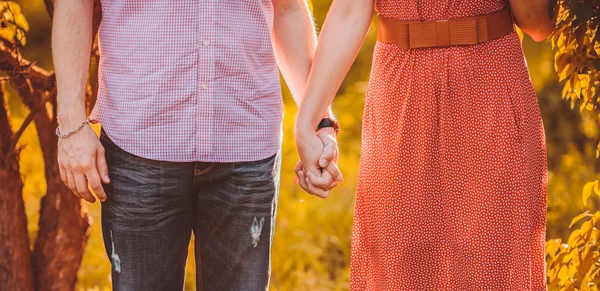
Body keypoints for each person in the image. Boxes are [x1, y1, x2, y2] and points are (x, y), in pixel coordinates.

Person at [52, 0, 343, 290]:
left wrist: (319, 123)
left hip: (247, 145)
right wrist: (70, 125)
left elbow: (288, 8)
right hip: (137, 145)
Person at [295, 0, 554, 290]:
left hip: (489, 92)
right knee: (399, 258)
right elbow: (348, 12)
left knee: (491, 256)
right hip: (400, 94)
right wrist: (308, 123)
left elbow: (537, 25)